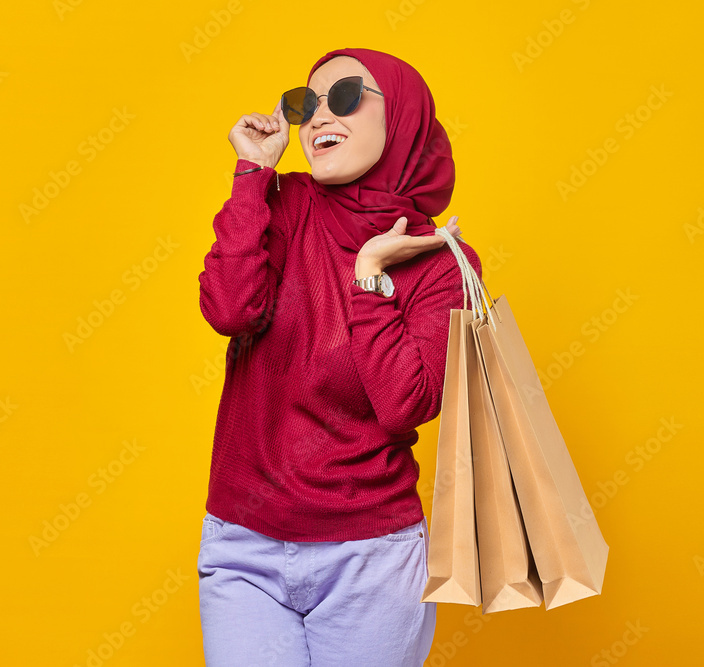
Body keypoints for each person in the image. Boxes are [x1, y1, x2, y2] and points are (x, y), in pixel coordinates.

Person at [196, 47, 482, 666]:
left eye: (347, 96)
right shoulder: (280, 203)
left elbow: (404, 405)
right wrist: (252, 177)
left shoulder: (440, 259)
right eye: (307, 102)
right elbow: (229, 310)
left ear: (401, 118)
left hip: (373, 557)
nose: (320, 114)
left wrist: (370, 275)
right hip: (245, 545)